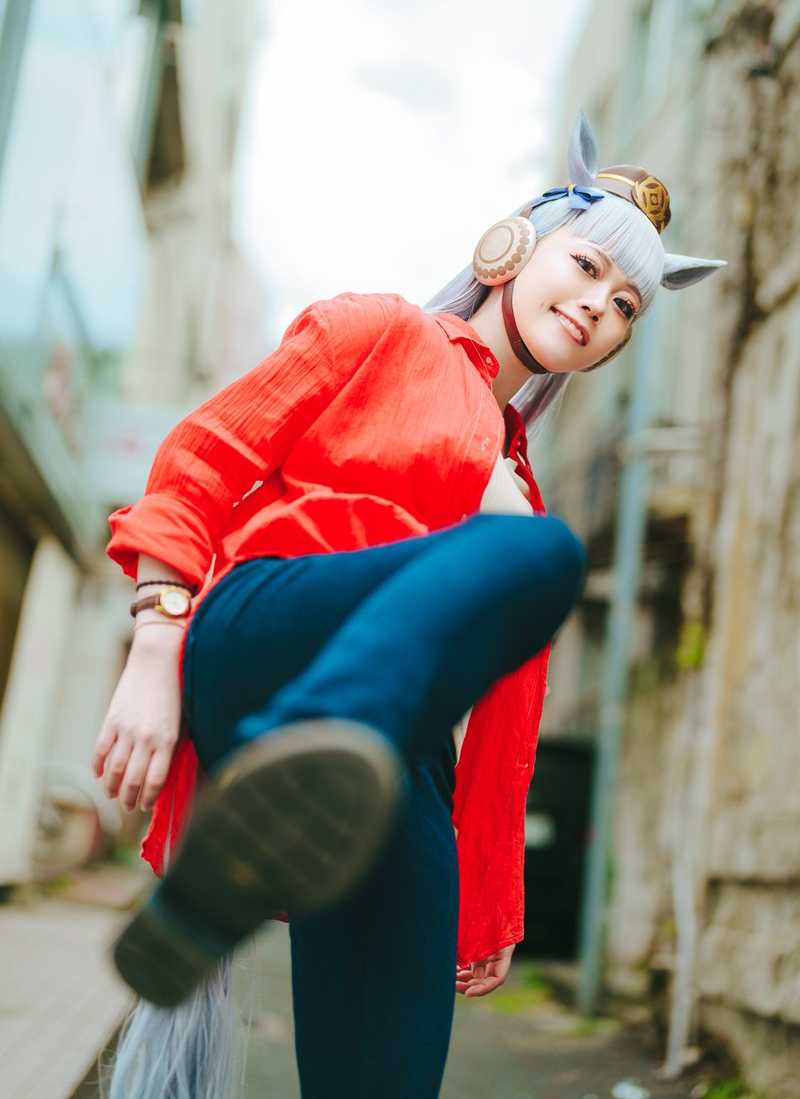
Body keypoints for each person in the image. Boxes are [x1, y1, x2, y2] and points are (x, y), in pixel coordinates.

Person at [92, 110, 724, 1099]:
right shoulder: (378, 331)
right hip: (264, 631)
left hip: (393, 755)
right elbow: (200, 460)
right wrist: (154, 647)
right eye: (586, 265)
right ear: (514, 245)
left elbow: (504, 726)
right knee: (540, 554)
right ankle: (306, 753)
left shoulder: (521, 492)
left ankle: (273, 825)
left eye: (626, 305)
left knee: (385, 1072)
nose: (598, 305)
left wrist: (486, 900)